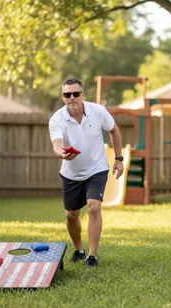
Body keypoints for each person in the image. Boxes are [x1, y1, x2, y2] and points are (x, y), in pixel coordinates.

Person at [49, 77, 124, 268]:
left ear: (83, 94)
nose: (71, 98)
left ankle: (91, 256)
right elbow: (57, 145)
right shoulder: (57, 119)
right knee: (71, 215)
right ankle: (79, 250)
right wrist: (62, 154)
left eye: (75, 94)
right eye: (67, 94)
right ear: (63, 97)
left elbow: (114, 130)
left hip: (97, 169)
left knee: (93, 208)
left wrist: (118, 158)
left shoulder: (98, 111)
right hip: (70, 174)